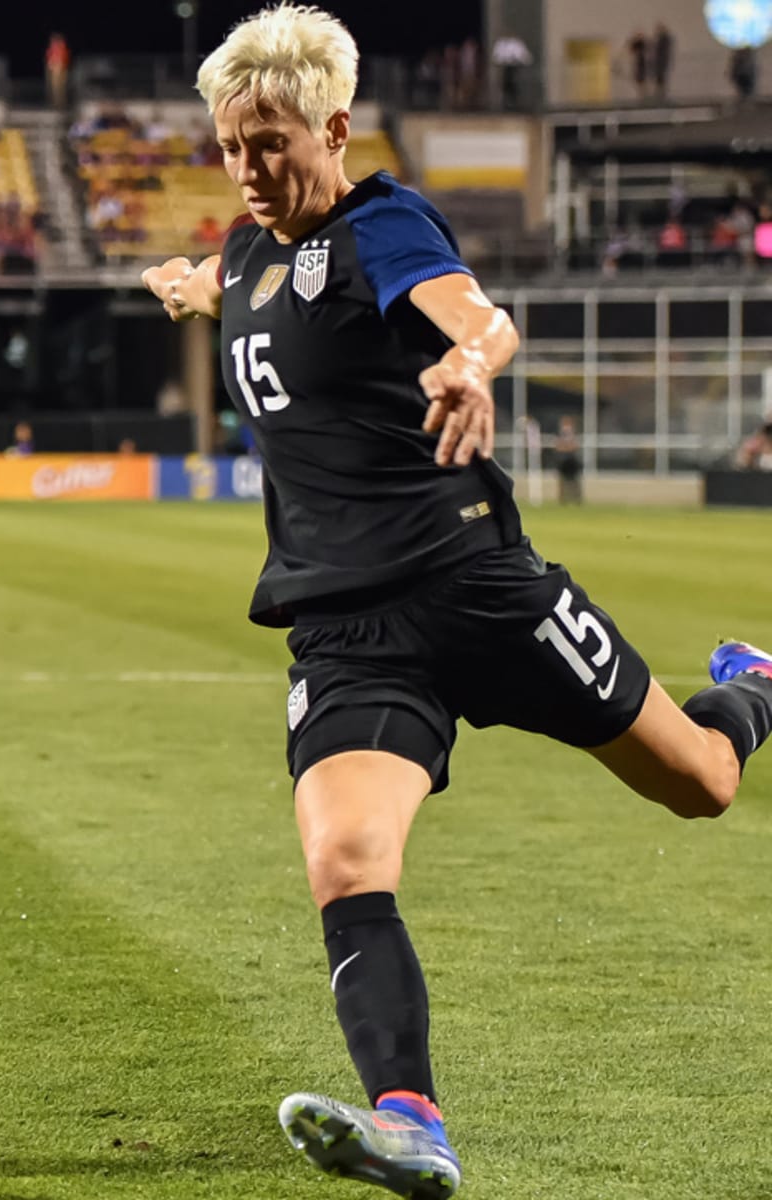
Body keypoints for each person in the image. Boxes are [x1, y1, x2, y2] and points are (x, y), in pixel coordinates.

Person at [141, 6, 772, 1197]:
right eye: (230, 145)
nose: (248, 167)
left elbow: (481, 316)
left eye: (270, 142)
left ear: (334, 128)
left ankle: (750, 688)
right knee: (346, 860)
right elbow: (230, 274)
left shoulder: (386, 226)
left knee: (704, 783)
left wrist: (467, 363)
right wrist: (185, 282)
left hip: (476, 588)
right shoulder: (247, 243)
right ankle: (411, 1123)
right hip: (345, 630)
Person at [554, 415, 584, 503]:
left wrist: (567, 447)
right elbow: (558, 446)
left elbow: (574, 446)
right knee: (563, 480)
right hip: (563, 460)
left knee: (574, 481)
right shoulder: (559, 435)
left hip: (572, 460)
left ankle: (576, 499)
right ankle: (563, 499)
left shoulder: (574, 435)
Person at [652, 23, 674, 99]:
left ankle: (662, 94)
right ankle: (659, 93)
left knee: (661, 78)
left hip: (662, 61)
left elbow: (663, 50)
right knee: (659, 78)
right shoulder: (660, 38)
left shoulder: (665, 38)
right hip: (659, 62)